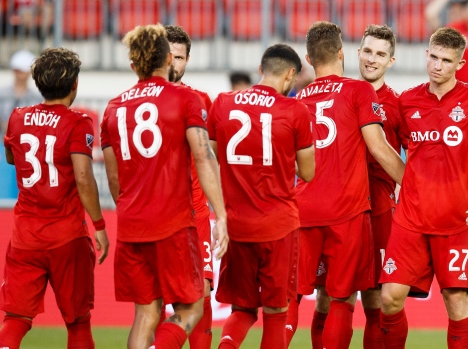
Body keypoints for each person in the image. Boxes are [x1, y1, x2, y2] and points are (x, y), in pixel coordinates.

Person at [100, 24, 228, 349]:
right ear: (168, 59)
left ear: (134, 64)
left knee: (145, 314)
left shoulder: (113, 108)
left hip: (132, 224)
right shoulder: (186, 98)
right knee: (194, 306)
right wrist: (222, 215)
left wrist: (129, 209)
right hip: (175, 222)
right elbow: (204, 156)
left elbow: (113, 179)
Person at [379, 27, 468, 349]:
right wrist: (406, 184)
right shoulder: (407, 101)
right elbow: (386, 148)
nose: (437, 65)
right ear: (427, 55)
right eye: (433, 57)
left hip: (454, 219)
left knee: (455, 301)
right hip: (410, 218)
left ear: (460, 64)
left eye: (446, 60)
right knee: (390, 298)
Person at [288, 21, 406, 349]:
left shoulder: (296, 100)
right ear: (346, 52)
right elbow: (380, 148)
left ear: (308, 60)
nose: (372, 58)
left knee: (297, 298)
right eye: (367, 51)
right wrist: (417, 188)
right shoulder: (358, 91)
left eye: (380, 53)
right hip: (348, 209)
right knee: (339, 298)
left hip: (313, 210)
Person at [0, 47, 110, 349]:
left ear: (38, 83)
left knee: (16, 320)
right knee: (78, 322)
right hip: (66, 237)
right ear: (75, 84)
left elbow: (11, 156)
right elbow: (84, 177)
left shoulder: (17, 118)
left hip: (25, 237)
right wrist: (99, 225)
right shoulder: (78, 123)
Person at [209, 43, 315, 349]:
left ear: (260, 70)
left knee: (242, 308)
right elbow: (307, 173)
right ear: (291, 75)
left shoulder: (223, 103)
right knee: (276, 310)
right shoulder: (296, 110)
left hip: (237, 226)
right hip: (277, 226)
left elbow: (213, 155)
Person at [164, 24, 214, 349]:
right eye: (168, 55)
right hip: (159, 217)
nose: (173, 63)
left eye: (179, 57)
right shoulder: (135, 102)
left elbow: (209, 158)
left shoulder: (200, 100)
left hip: (195, 214)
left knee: (203, 296)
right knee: (153, 303)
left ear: (188, 60)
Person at [0, 50, 44, 140]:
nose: (19, 73)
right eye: (18, 70)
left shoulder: (37, 97)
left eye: (21, 71)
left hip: (26, 145)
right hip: (0, 143)